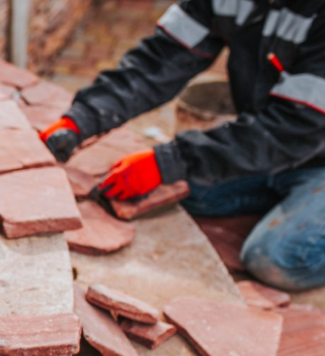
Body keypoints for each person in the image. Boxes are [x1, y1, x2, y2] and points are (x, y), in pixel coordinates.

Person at [40, 0, 325, 291]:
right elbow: (162, 59)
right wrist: (82, 119)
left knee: (277, 260)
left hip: (313, 152)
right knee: (188, 194)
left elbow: (293, 130)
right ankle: (287, 195)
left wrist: (167, 161)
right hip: (280, 145)